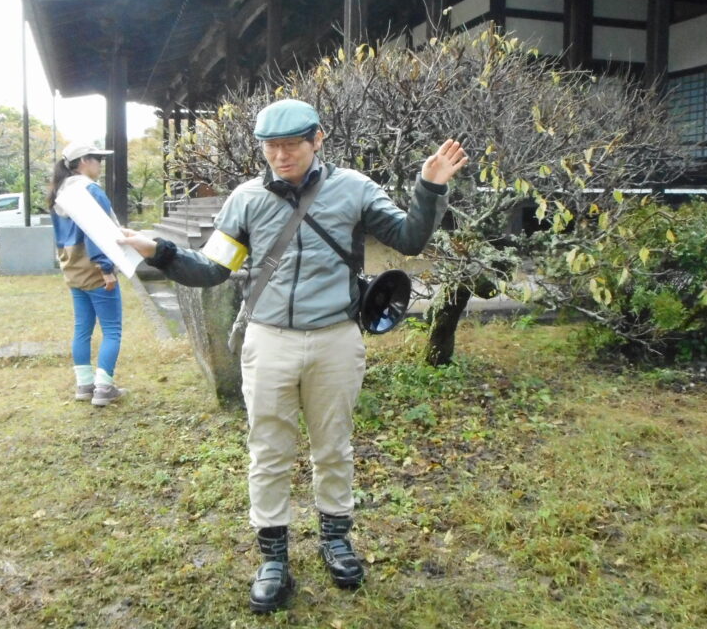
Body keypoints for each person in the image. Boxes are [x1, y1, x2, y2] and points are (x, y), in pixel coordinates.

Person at [120, 99, 467, 613]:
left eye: (291, 145)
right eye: (270, 147)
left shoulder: (353, 189)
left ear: (317, 139)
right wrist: (159, 252)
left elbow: (410, 239)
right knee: (269, 450)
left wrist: (429, 186)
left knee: (334, 446)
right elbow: (212, 270)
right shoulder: (245, 199)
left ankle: (335, 541)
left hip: (335, 339)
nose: (280, 156)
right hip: (269, 339)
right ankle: (273, 559)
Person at [49, 141, 126, 408]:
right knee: (112, 330)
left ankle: (84, 384)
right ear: (84, 161)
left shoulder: (61, 192)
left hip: (73, 268)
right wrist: (107, 269)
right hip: (95, 269)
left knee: (82, 328)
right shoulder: (89, 190)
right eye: (98, 159)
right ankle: (104, 388)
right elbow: (98, 233)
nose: (100, 164)